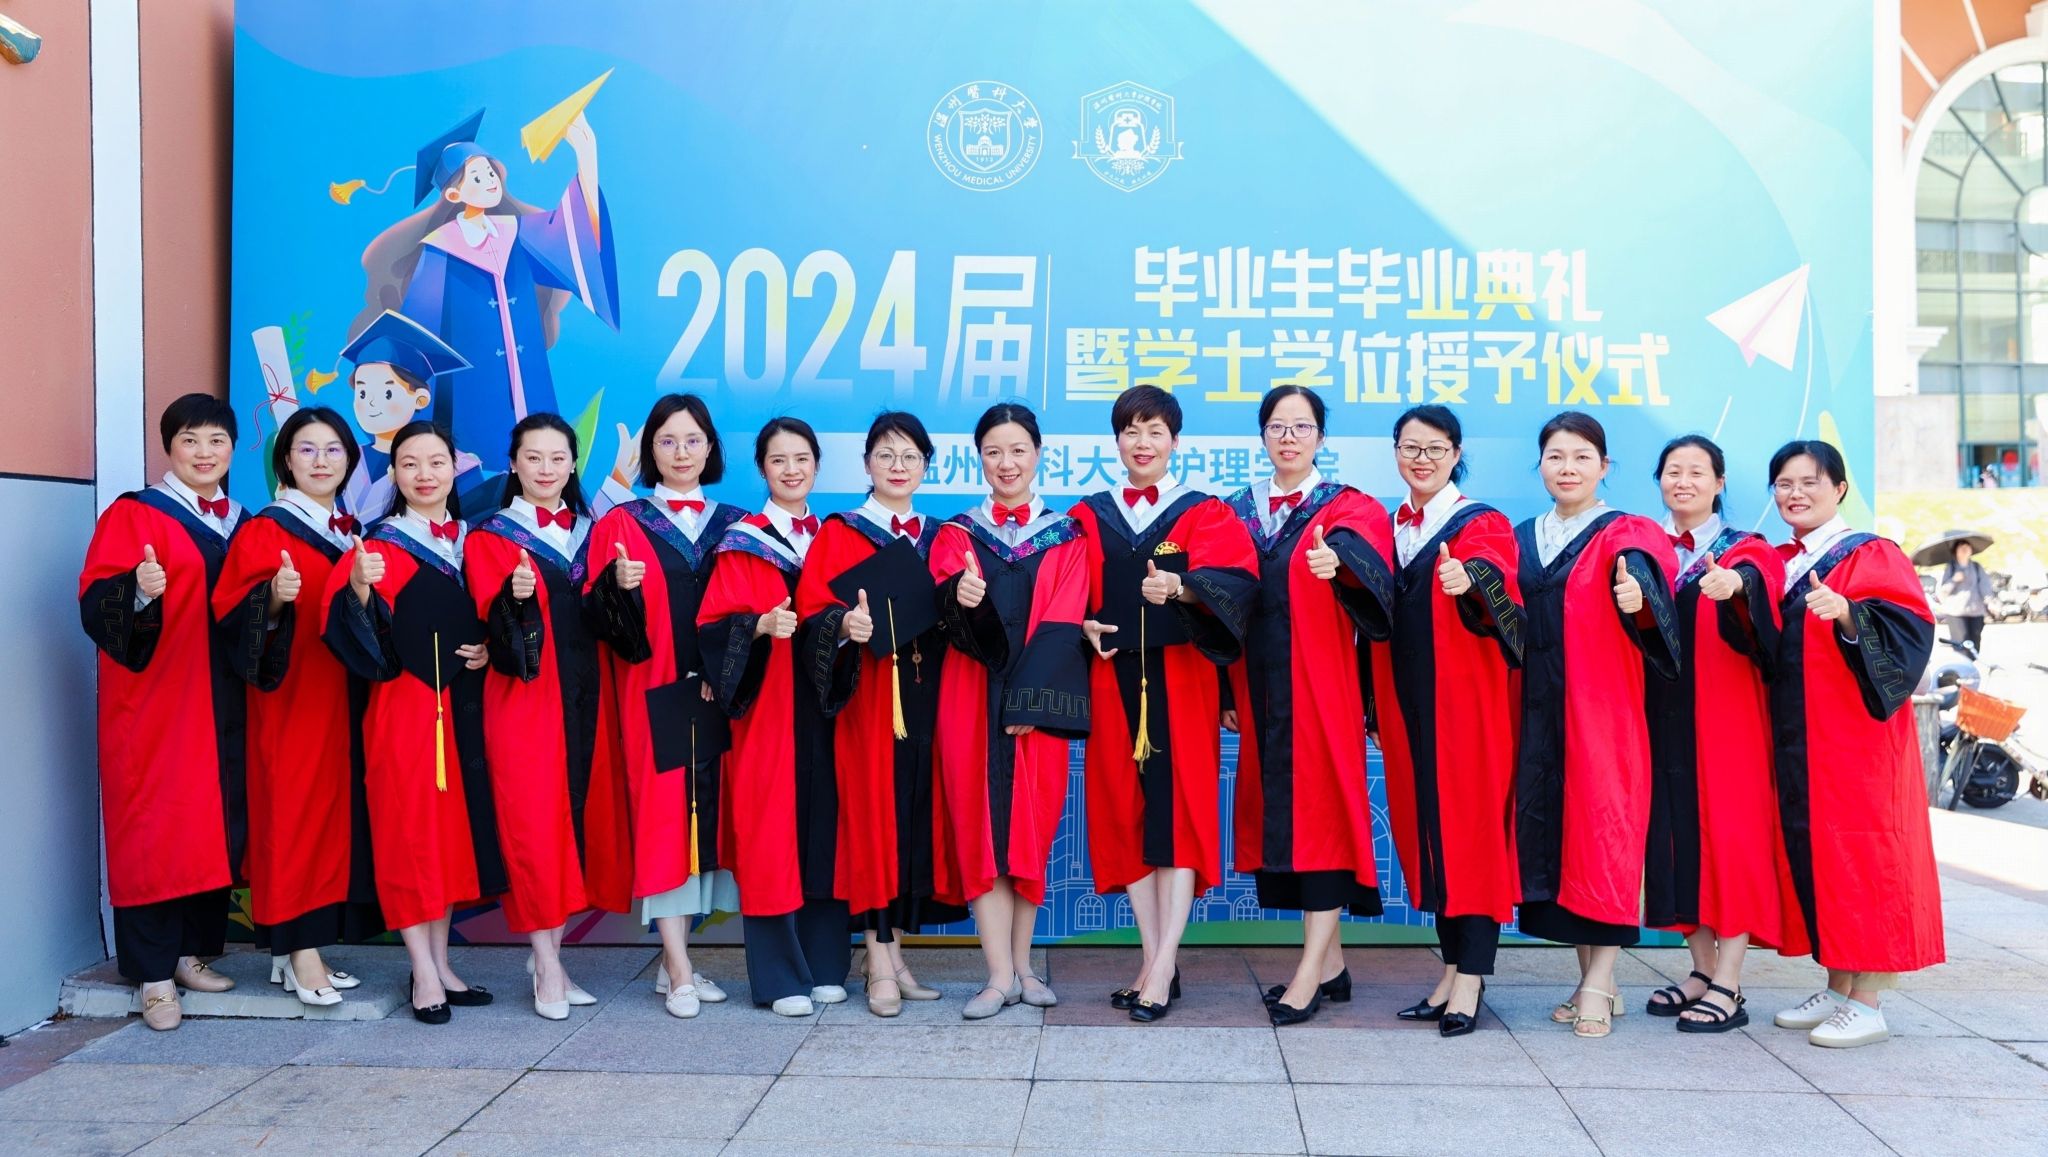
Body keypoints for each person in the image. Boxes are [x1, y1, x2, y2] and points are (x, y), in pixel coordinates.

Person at [1070, 386, 1256, 1022]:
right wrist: (1082, 624)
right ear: (1116, 441)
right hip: (1112, 680)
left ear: (1175, 441)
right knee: (1126, 813)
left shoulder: (1205, 513)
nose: (1142, 443)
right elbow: (1065, 593)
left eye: (1154, 431)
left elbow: (1240, 585)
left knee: (1178, 815)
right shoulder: (1087, 515)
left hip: (1181, 681)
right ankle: (1154, 962)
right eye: (1131, 431)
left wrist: (1184, 586)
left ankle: (1164, 962)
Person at [320, 421, 506, 1023]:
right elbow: (345, 626)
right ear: (394, 474)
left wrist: (488, 649)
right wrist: (359, 588)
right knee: (410, 834)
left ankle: (443, 963)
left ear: (455, 468)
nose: (425, 475)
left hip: (462, 712)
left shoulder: (474, 540)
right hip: (405, 711)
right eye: (409, 464)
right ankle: (421, 970)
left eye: (436, 462)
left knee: (448, 839)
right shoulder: (379, 546)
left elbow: (491, 618)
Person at [1224, 386, 1397, 1027]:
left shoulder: (1351, 508)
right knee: (1288, 826)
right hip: (1261, 694)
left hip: (1324, 692)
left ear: (1322, 437)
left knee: (1323, 823)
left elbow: (1377, 583)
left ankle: (1307, 975)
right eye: (1277, 426)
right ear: (1263, 436)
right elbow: (1221, 596)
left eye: (1302, 427)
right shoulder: (1237, 511)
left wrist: (1341, 564)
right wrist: (1226, 693)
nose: (1289, 438)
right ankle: (1332, 965)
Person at [77, 394, 251, 1030]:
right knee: (157, 828)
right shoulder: (135, 514)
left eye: (216, 441)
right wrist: (138, 591)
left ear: (233, 449)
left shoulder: (241, 520)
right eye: (190, 441)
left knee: (213, 823)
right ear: (169, 447)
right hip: (158, 703)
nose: (204, 453)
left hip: (224, 698)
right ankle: (152, 975)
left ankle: (189, 954)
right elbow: (96, 602)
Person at [1765, 440, 1944, 1048]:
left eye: (1810, 482)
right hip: (1806, 741)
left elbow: (1909, 635)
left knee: (1866, 858)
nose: (1796, 493)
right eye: (1784, 484)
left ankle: (1869, 1001)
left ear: (1839, 489)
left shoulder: (1871, 553)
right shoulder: (1787, 561)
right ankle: (1839, 984)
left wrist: (1848, 613)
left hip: (1859, 745)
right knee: (1824, 860)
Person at [1512, 411, 1679, 1040]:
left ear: (1604, 466)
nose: (1568, 468)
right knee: (1563, 845)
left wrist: (1640, 599)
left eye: (1582, 457)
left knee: (1604, 837)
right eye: (1556, 456)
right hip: (1537, 714)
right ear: (1540, 465)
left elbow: (1647, 578)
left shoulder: (1625, 532)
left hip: (1601, 714)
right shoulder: (1525, 536)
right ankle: (1594, 983)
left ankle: (1599, 982)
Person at [796, 411, 965, 1017]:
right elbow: (812, 610)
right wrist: (844, 624)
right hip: (869, 701)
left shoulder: (942, 536)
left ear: (927, 466)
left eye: (911, 457)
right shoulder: (840, 532)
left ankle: (891, 958)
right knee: (874, 819)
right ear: (866, 463)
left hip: (928, 698)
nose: (898, 467)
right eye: (886, 455)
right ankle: (877, 958)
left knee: (913, 820)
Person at [212, 406, 381, 1008]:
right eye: (307, 449)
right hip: (291, 697)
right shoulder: (267, 530)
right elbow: (232, 615)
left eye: (333, 450)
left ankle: (300, 950)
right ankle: (298, 949)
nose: (321, 461)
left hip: (342, 694)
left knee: (330, 818)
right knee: (293, 814)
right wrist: (274, 598)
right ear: (285, 459)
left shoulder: (351, 529)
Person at [465, 413, 632, 1020]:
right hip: (526, 700)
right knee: (535, 826)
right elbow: (491, 624)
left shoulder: (594, 533)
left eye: (557, 458)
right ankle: (547, 965)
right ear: (513, 464)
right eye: (532, 458)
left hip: (590, 697)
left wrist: (620, 587)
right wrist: (511, 602)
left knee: (575, 822)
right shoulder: (490, 538)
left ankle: (549, 958)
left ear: (572, 464)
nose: (545, 469)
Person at [583, 394, 744, 1018]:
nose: (681, 453)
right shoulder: (621, 524)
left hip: (722, 694)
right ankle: (677, 967)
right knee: (665, 824)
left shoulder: (736, 524)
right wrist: (615, 587)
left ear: (711, 449)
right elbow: (596, 617)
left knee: (709, 821)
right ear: (651, 451)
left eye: (693, 440)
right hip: (657, 692)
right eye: (667, 441)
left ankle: (678, 960)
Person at [930, 403, 1092, 1020]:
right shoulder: (957, 535)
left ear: (1038, 454)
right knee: (981, 831)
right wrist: (958, 594)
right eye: (994, 452)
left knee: (1030, 830)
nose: (1006, 463)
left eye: (1018, 450)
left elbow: (1064, 618)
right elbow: (943, 607)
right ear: (979, 458)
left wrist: (1028, 700)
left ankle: (1024, 967)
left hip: (1035, 703)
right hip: (970, 699)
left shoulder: (1065, 535)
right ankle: (997, 975)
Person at [698, 417, 856, 1017]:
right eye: (778, 460)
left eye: (802, 458)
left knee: (827, 825)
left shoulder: (836, 537)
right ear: (762, 469)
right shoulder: (743, 542)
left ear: (817, 464)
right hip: (768, 707)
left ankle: (826, 965)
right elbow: (711, 627)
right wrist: (758, 626)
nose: (792, 470)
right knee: (771, 832)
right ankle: (780, 976)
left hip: (829, 704)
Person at [1372, 405, 1522, 1039]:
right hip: (1407, 705)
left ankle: (1472, 977)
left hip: (1465, 707)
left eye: (1435, 448)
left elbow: (1501, 582)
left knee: (1471, 833)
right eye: (1410, 447)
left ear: (1457, 454)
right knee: (1430, 834)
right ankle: (1451, 970)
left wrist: (1473, 578)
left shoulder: (1480, 522)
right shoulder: (1390, 527)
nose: (1422, 459)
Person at [1641, 435, 1795, 1033]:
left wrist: (1736, 587)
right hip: (1663, 719)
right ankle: (1702, 971)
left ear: (1720, 483)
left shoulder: (1746, 549)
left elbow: (1761, 588)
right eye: (1672, 471)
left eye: (1697, 472)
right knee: (1677, 840)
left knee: (1731, 841)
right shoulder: (1646, 547)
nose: (1683, 482)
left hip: (1727, 723)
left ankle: (1730, 982)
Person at [1935, 539, 1993, 652]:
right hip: (1956, 613)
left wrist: (1990, 601)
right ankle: (1962, 663)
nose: (1964, 549)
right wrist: (1954, 580)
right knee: (1961, 643)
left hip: (1976, 612)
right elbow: (1943, 591)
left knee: (1974, 644)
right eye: (1961, 547)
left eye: (1967, 547)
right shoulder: (1951, 567)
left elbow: (1985, 586)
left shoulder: (1976, 567)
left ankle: (1972, 662)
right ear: (1955, 551)